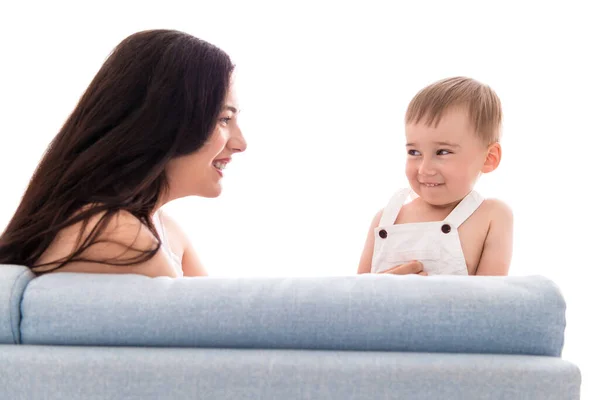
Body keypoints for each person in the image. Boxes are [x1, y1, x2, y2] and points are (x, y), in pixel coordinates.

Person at [0, 29, 246, 278]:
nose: (241, 143)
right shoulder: (117, 236)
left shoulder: (167, 233)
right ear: (163, 123)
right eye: (224, 119)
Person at [358, 77, 513, 276]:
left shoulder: (492, 215)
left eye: (442, 152)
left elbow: (492, 301)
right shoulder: (385, 219)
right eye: (414, 152)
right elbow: (357, 299)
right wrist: (384, 290)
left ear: (489, 158)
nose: (424, 169)